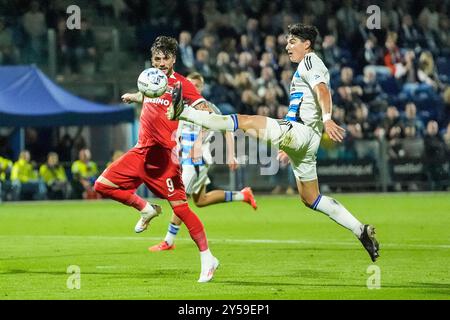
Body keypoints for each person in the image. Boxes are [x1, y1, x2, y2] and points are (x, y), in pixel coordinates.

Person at [168, 24, 380, 262]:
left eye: (292, 42)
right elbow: (301, 105)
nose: (287, 46)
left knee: (244, 121)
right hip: (304, 140)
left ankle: (183, 112)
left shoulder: (310, 62)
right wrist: (288, 146)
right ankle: (360, 230)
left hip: (301, 133)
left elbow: (323, 91)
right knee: (311, 198)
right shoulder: (304, 67)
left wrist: (328, 119)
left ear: (306, 44)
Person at [94, 36, 219, 282]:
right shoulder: (149, 78)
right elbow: (152, 95)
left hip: (164, 158)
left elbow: (204, 106)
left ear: (174, 59)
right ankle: (146, 208)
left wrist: (201, 110)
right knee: (101, 185)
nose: (161, 63)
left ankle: (208, 258)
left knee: (181, 209)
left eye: (166, 59)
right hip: (141, 151)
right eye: (157, 59)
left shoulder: (182, 84)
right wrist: (134, 95)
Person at [149, 72, 257, 252]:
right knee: (201, 200)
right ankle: (243, 195)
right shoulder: (179, 106)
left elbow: (227, 127)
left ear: (202, 88)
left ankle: (168, 240)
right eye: (191, 84)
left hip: (197, 160)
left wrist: (231, 154)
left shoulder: (208, 107)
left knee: (180, 199)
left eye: (198, 86)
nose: (194, 88)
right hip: (184, 159)